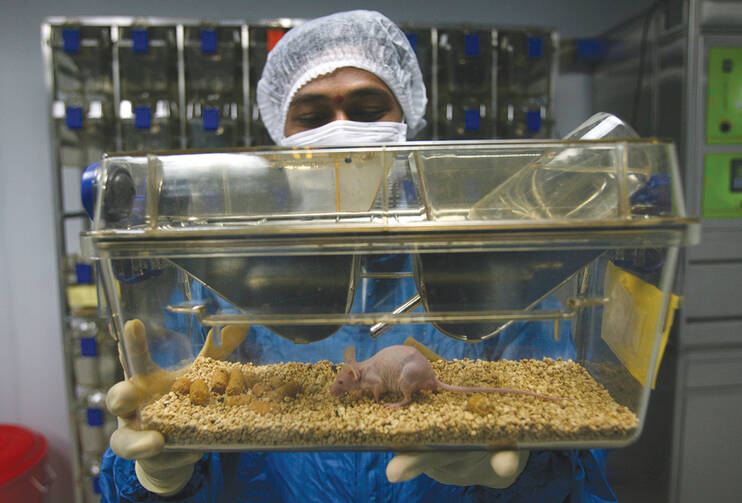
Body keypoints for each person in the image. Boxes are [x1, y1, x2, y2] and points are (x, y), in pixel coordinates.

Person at [99, 10, 618, 502]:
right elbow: (176, 428)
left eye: (368, 112)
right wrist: (158, 478)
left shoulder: (478, 262)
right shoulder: (229, 273)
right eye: (313, 116)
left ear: (405, 120)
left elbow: (579, 461)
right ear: (281, 136)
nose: (342, 131)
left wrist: (526, 475)